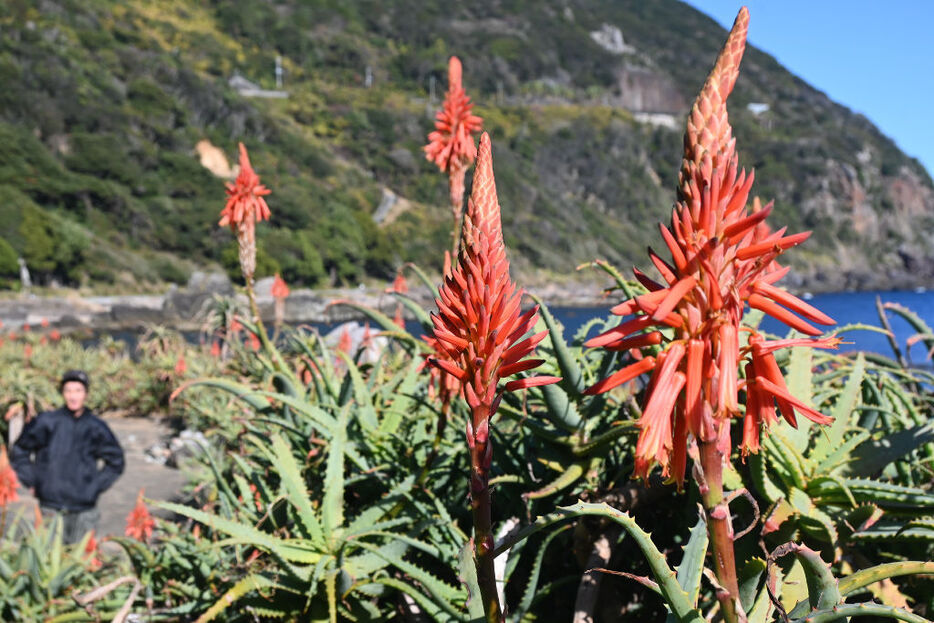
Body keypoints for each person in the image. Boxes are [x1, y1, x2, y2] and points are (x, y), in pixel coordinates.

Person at [11, 370, 125, 544]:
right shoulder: (46, 422)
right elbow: (20, 450)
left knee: (82, 561)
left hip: (84, 508)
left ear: (86, 394)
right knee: (48, 561)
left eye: (78, 391)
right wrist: (33, 480)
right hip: (51, 505)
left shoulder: (96, 427)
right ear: (63, 394)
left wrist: (94, 486)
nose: (73, 396)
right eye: (68, 391)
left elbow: (116, 461)